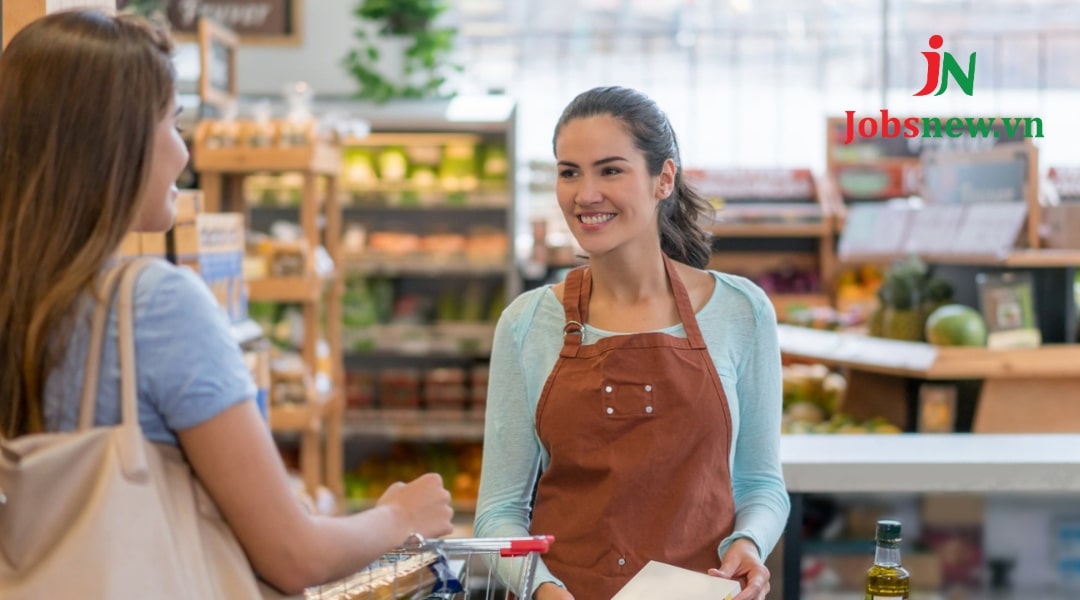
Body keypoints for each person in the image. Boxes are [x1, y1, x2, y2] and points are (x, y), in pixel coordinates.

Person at [0, 9, 453, 595]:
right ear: (118, 142)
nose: (184, 155)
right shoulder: (151, 304)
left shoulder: (20, 298)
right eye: (171, 123)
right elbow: (294, 556)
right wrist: (401, 517)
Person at [474, 86, 790, 600]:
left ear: (663, 178)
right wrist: (543, 590)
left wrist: (750, 543)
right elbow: (498, 513)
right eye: (569, 171)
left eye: (611, 170)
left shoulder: (741, 312)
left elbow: (760, 483)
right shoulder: (527, 323)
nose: (585, 194)